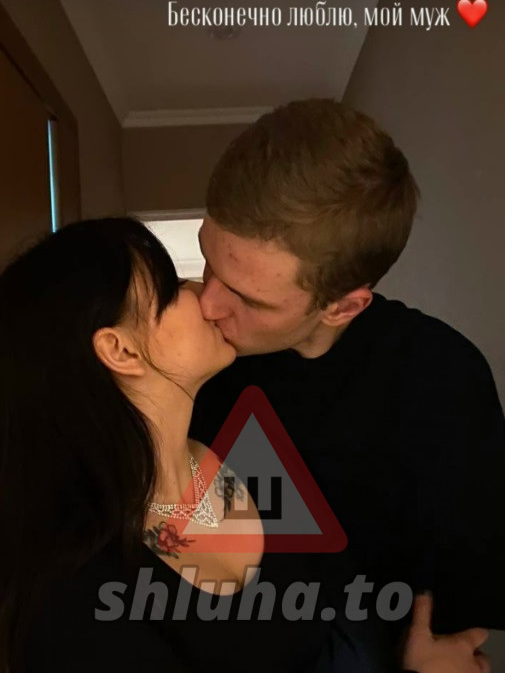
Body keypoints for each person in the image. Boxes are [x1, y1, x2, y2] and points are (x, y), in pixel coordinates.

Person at [0, 218, 488, 673]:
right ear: (120, 350)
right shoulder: (70, 592)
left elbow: (337, 611)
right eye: (173, 287)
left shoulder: (243, 451)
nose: (205, 297)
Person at [187, 99, 505, 660]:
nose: (207, 304)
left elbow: (457, 620)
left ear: (342, 307)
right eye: (208, 258)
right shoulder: (192, 353)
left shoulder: (442, 383)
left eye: (250, 299)